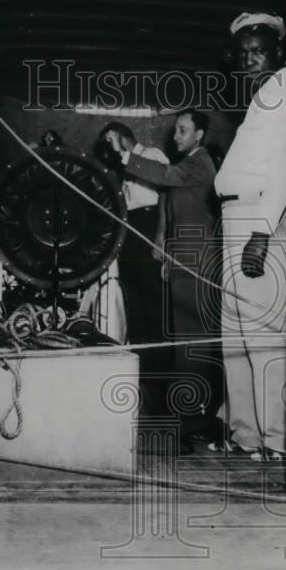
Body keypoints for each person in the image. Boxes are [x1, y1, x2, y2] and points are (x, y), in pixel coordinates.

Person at [212, 11, 286, 461]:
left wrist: (262, 232)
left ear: (278, 53)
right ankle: (246, 436)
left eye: (258, 51)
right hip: (237, 220)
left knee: (262, 336)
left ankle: (276, 441)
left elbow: (283, 169)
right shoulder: (262, 97)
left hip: (255, 222)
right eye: (243, 54)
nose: (249, 60)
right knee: (236, 337)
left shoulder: (283, 94)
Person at [110, 109, 223, 446]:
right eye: (176, 130)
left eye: (183, 131)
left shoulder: (199, 162)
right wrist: (165, 249)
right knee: (183, 342)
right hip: (182, 263)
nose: (176, 137)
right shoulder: (188, 162)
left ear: (199, 135)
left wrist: (127, 156)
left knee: (194, 344)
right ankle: (189, 416)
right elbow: (169, 207)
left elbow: (165, 176)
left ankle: (196, 419)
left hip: (198, 264)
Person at [99, 123, 170, 404]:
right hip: (131, 232)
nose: (109, 146)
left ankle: (164, 384)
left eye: (111, 139)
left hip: (150, 227)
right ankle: (145, 382)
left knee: (155, 309)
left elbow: (166, 193)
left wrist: (161, 237)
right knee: (135, 309)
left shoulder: (152, 154)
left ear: (124, 136)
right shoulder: (120, 168)